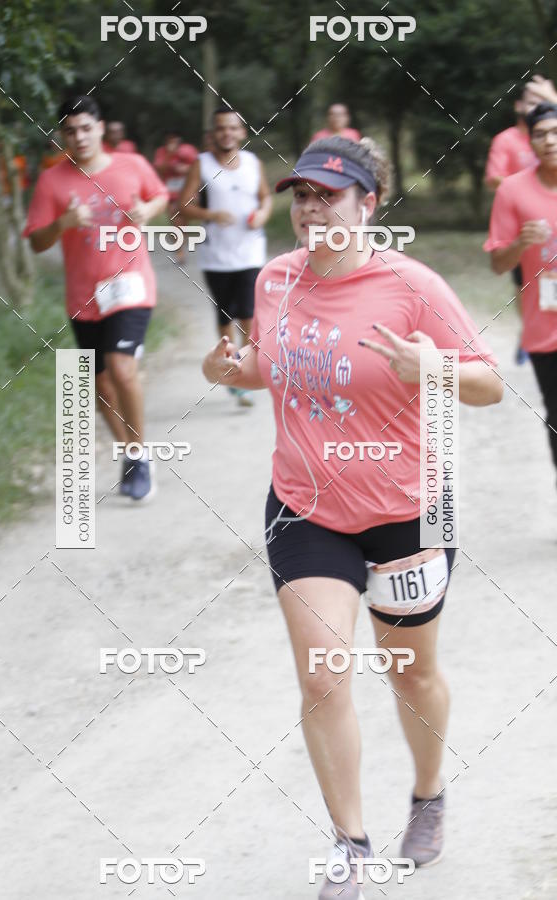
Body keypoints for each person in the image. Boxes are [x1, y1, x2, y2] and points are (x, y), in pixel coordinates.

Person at [203, 136, 503, 898]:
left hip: (410, 509)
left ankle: (430, 794)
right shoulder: (273, 281)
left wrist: (427, 366)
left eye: (328, 194)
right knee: (324, 676)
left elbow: (489, 385)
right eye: (301, 195)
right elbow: (269, 366)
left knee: (411, 673)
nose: (310, 208)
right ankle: (351, 843)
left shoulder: (414, 287)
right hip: (306, 507)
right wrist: (230, 369)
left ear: (368, 203)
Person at [23, 95, 168, 501]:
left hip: (130, 285)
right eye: (70, 131)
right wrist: (63, 223)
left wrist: (148, 210)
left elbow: (158, 195)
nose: (79, 136)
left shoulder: (131, 164)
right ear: (62, 136)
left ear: (101, 128)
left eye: (86, 128)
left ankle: (140, 456)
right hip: (84, 297)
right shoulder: (53, 181)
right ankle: (130, 453)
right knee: (101, 388)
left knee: (122, 370)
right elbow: (36, 241)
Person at [485, 101, 557, 486]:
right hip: (547, 329)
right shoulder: (513, 190)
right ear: (531, 142)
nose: (549, 141)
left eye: (555, 131)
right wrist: (520, 243)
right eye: (541, 134)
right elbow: (498, 263)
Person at [181, 107, 272, 408]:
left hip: (250, 251)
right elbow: (183, 207)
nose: (227, 133)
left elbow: (266, 197)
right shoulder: (202, 165)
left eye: (233, 128)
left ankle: (245, 372)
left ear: (242, 132)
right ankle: (229, 365)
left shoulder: (252, 163)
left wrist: (261, 215)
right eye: (221, 128)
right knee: (225, 315)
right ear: (213, 134)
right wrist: (210, 214)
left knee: (249, 313)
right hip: (216, 255)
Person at [485, 84, 540, 364]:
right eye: (530, 101)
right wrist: (525, 191)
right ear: (518, 106)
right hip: (519, 226)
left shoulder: (549, 136)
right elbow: (494, 177)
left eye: (541, 100)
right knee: (524, 282)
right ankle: (529, 330)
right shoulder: (505, 140)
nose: (535, 106)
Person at [153, 133, 199, 261]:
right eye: (170, 141)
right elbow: (159, 169)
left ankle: (179, 238)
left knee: (182, 220)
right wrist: (170, 158)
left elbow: (198, 167)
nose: (172, 144)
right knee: (175, 218)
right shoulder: (161, 153)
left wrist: (186, 169)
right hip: (171, 192)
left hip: (186, 191)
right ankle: (179, 250)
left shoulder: (188, 150)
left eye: (175, 141)